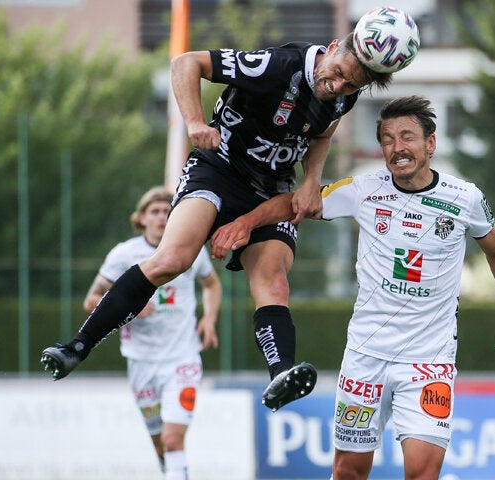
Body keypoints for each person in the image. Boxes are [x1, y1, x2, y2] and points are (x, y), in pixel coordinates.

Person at [41, 26, 398, 411]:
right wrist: (195, 121)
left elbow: (322, 134)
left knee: (275, 281)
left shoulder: (345, 95)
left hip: (271, 189)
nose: (339, 85)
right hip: (218, 170)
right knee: (173, 260)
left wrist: (311, 180)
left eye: (350, 85)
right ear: (331, 48)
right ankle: (77, 346)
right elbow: (185, 63)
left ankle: (281, 374)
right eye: (339, 72)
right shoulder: (277, 67)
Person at [209, 95, 495, 480]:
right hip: (366, 356)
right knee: (348, 472)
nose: (398, 147)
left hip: (429, 362)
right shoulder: (364, 189)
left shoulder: (464, 198)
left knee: (423, 473)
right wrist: (245, 222)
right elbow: (297, 202)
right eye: (388, 139)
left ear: (430, 143)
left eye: (407, 136)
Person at [82, 186, 221, 480]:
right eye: (154, 212)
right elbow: (91, 300)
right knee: (160, 445)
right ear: (141, 218)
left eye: (167, 212)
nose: (161, 217)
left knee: (173, 440)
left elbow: (211, 284)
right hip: (141, 362)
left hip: (182, 359)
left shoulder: (190, 249)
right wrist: (126, 307)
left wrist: (209, 318)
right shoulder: (124, 254)